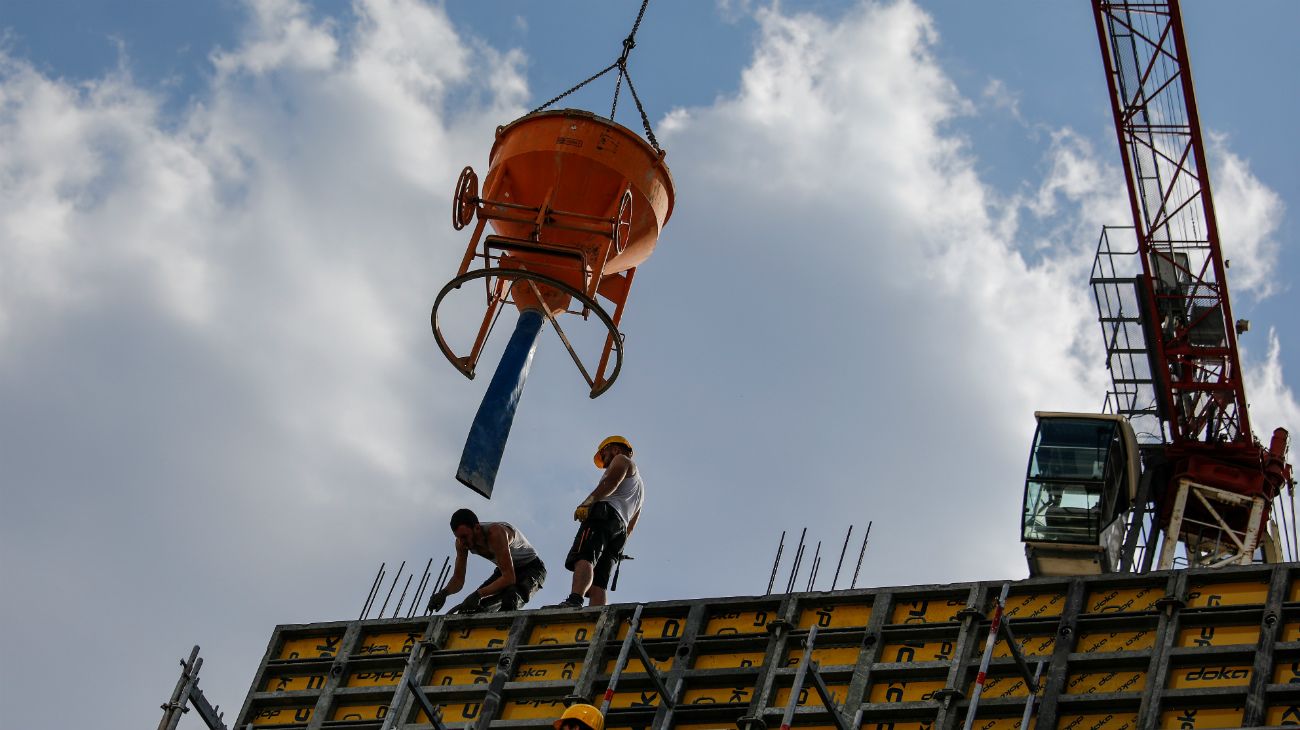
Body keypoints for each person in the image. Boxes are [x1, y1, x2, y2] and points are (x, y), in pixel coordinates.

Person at [553, 435, 643, 608]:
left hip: (604, 515)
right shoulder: (640, 487)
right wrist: (618, 546)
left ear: (615, 449)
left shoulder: (621, 459)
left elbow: (611, 482)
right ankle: (596, 615)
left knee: (585, 556)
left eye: (603, 455)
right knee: (599, 580)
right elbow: (632, 523)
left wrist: (588, 503)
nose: (603, 461)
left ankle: (574, 600)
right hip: (620, 529)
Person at [426, 508, 546, 614]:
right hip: (504, 569)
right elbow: (458, 579)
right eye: (458, 537)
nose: (462, 542)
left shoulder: (495, 533)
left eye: (464, 537)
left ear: (477, 528)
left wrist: (478, 594)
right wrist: (444, 593)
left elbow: (509, 578)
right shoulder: (461, 543)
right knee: (471, 608)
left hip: (531, 568)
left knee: (511, 598)